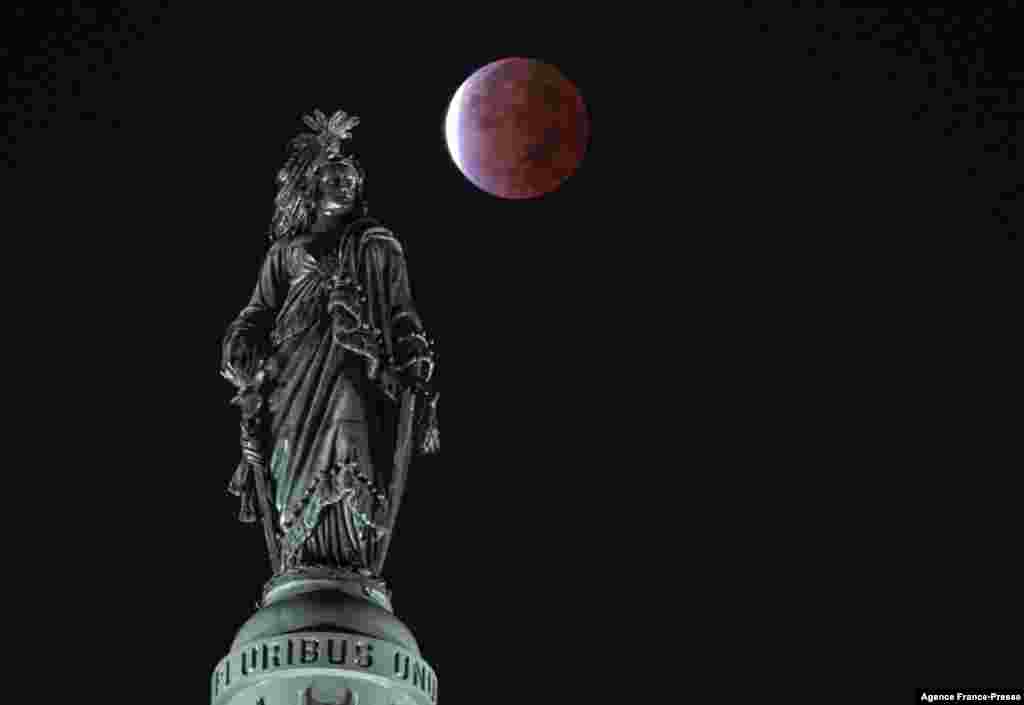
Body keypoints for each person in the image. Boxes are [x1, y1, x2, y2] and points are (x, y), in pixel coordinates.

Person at [221, 109, 439, 578]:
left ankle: (349, 556)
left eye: (348, 179)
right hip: (290, 371)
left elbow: (401, 309)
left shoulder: (377, 245)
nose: (341, 185)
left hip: (356, 360)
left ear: (359, 188)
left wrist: (413, 354)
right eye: (331, 177)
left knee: (349, 428)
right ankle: (297, 560)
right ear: (313, 186)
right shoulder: (285, 251)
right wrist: (240, 342)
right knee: (287, 462)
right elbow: (258, 310)